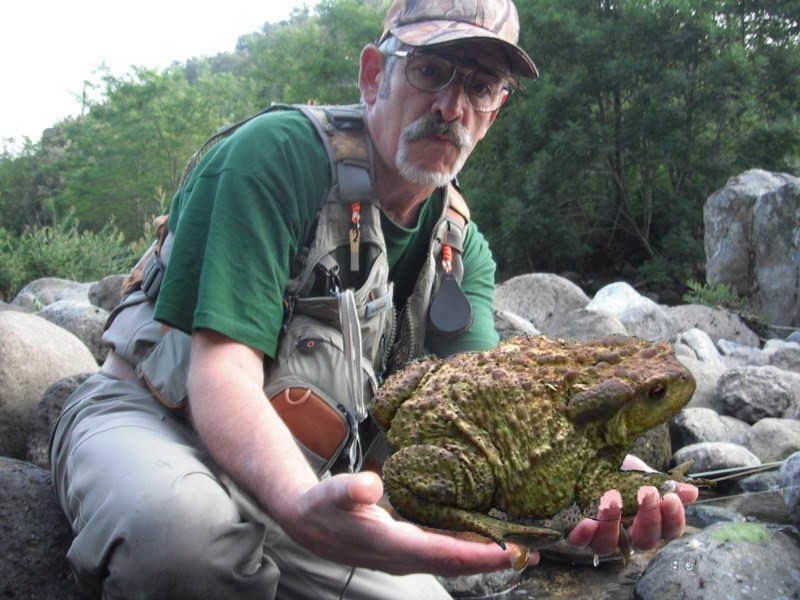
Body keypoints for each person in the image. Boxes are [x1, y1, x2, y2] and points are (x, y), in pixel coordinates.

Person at [50, 0, 700, 598]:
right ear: (373, 75)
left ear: (495, 111)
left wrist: (609, 478)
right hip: (163, 422)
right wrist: (300, 506)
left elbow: (500, 418)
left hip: (325, 476)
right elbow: (221, 370)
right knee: (182, 546)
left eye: (478, 85)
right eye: (432, 69)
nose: (452, 104)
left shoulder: (460, 248)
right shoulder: (273, 156)